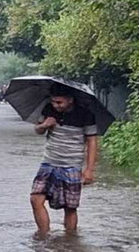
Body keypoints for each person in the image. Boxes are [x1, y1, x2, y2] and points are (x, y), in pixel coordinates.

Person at [30, 85, 98, 234]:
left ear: (70, 100)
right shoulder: (48, 109)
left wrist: (89, 170)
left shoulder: (85, 115)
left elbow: (92, 142)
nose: (55, 105)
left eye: (59, 102)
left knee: (70, 206)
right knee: (35, 199)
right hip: (48, 162)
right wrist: (44, 125)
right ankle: (43, 236)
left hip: (71, 165)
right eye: (53, 101)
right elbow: (37, 130)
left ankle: (70, 240)